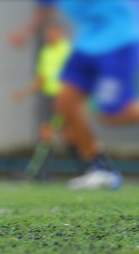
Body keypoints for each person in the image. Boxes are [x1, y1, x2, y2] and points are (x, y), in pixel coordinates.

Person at [10, 0, 139, 190]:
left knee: (112, 114)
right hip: (86, 44)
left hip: (118, 39)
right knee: (65, 103)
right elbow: (45, 8)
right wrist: (26, 32)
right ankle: (100, 168)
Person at [11, 21, 84, 179]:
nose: (48, 36)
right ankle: (41, 173)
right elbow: (41, 79)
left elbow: (76, 77)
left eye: (51, 32)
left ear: (60, 32)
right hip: (49, 98)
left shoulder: (68, 50)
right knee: (51, 134)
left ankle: (88, 168)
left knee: (64, 135)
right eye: (46, 33)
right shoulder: (46, 52)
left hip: (63, 98)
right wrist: (23, 93)